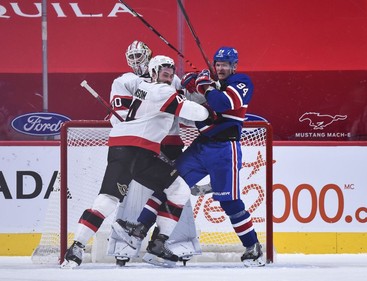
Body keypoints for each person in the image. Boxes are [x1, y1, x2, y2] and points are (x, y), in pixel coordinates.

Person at [61, 55, 210, 268]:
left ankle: (155, 244)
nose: (168, 76)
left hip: (134, 151)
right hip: (134, 151)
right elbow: (199, 113)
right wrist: (208, 93)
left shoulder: (143, 86)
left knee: (177, 190)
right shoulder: (162, 91)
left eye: (170, 73)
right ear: (153, 73)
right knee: (110, 199)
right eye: (164, 72)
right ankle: (79, 247)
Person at [107, 40, 202, 267]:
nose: (136, 61)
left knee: (174, 189)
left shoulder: (171, 77)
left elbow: (188, 113)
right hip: (141, 143)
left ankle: (178, 241)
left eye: (141, 56)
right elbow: (118, 115)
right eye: (133, 56)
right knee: (134, 191)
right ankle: (126, 244)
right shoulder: (125, 81)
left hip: (170, 142)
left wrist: (202, 89)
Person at [174, 46, 266, 267]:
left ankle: (253, 247)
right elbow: (194, 107)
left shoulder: (242, 81)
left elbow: (222, 103)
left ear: (234, 66)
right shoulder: (213, 85)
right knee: (171, 183)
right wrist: (192, 83)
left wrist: (204, 86)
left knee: (231, 203)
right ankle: (160, 242)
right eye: (218, 64)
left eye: (225, 64)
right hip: (200, 147)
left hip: (225, 149)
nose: (221, 68)